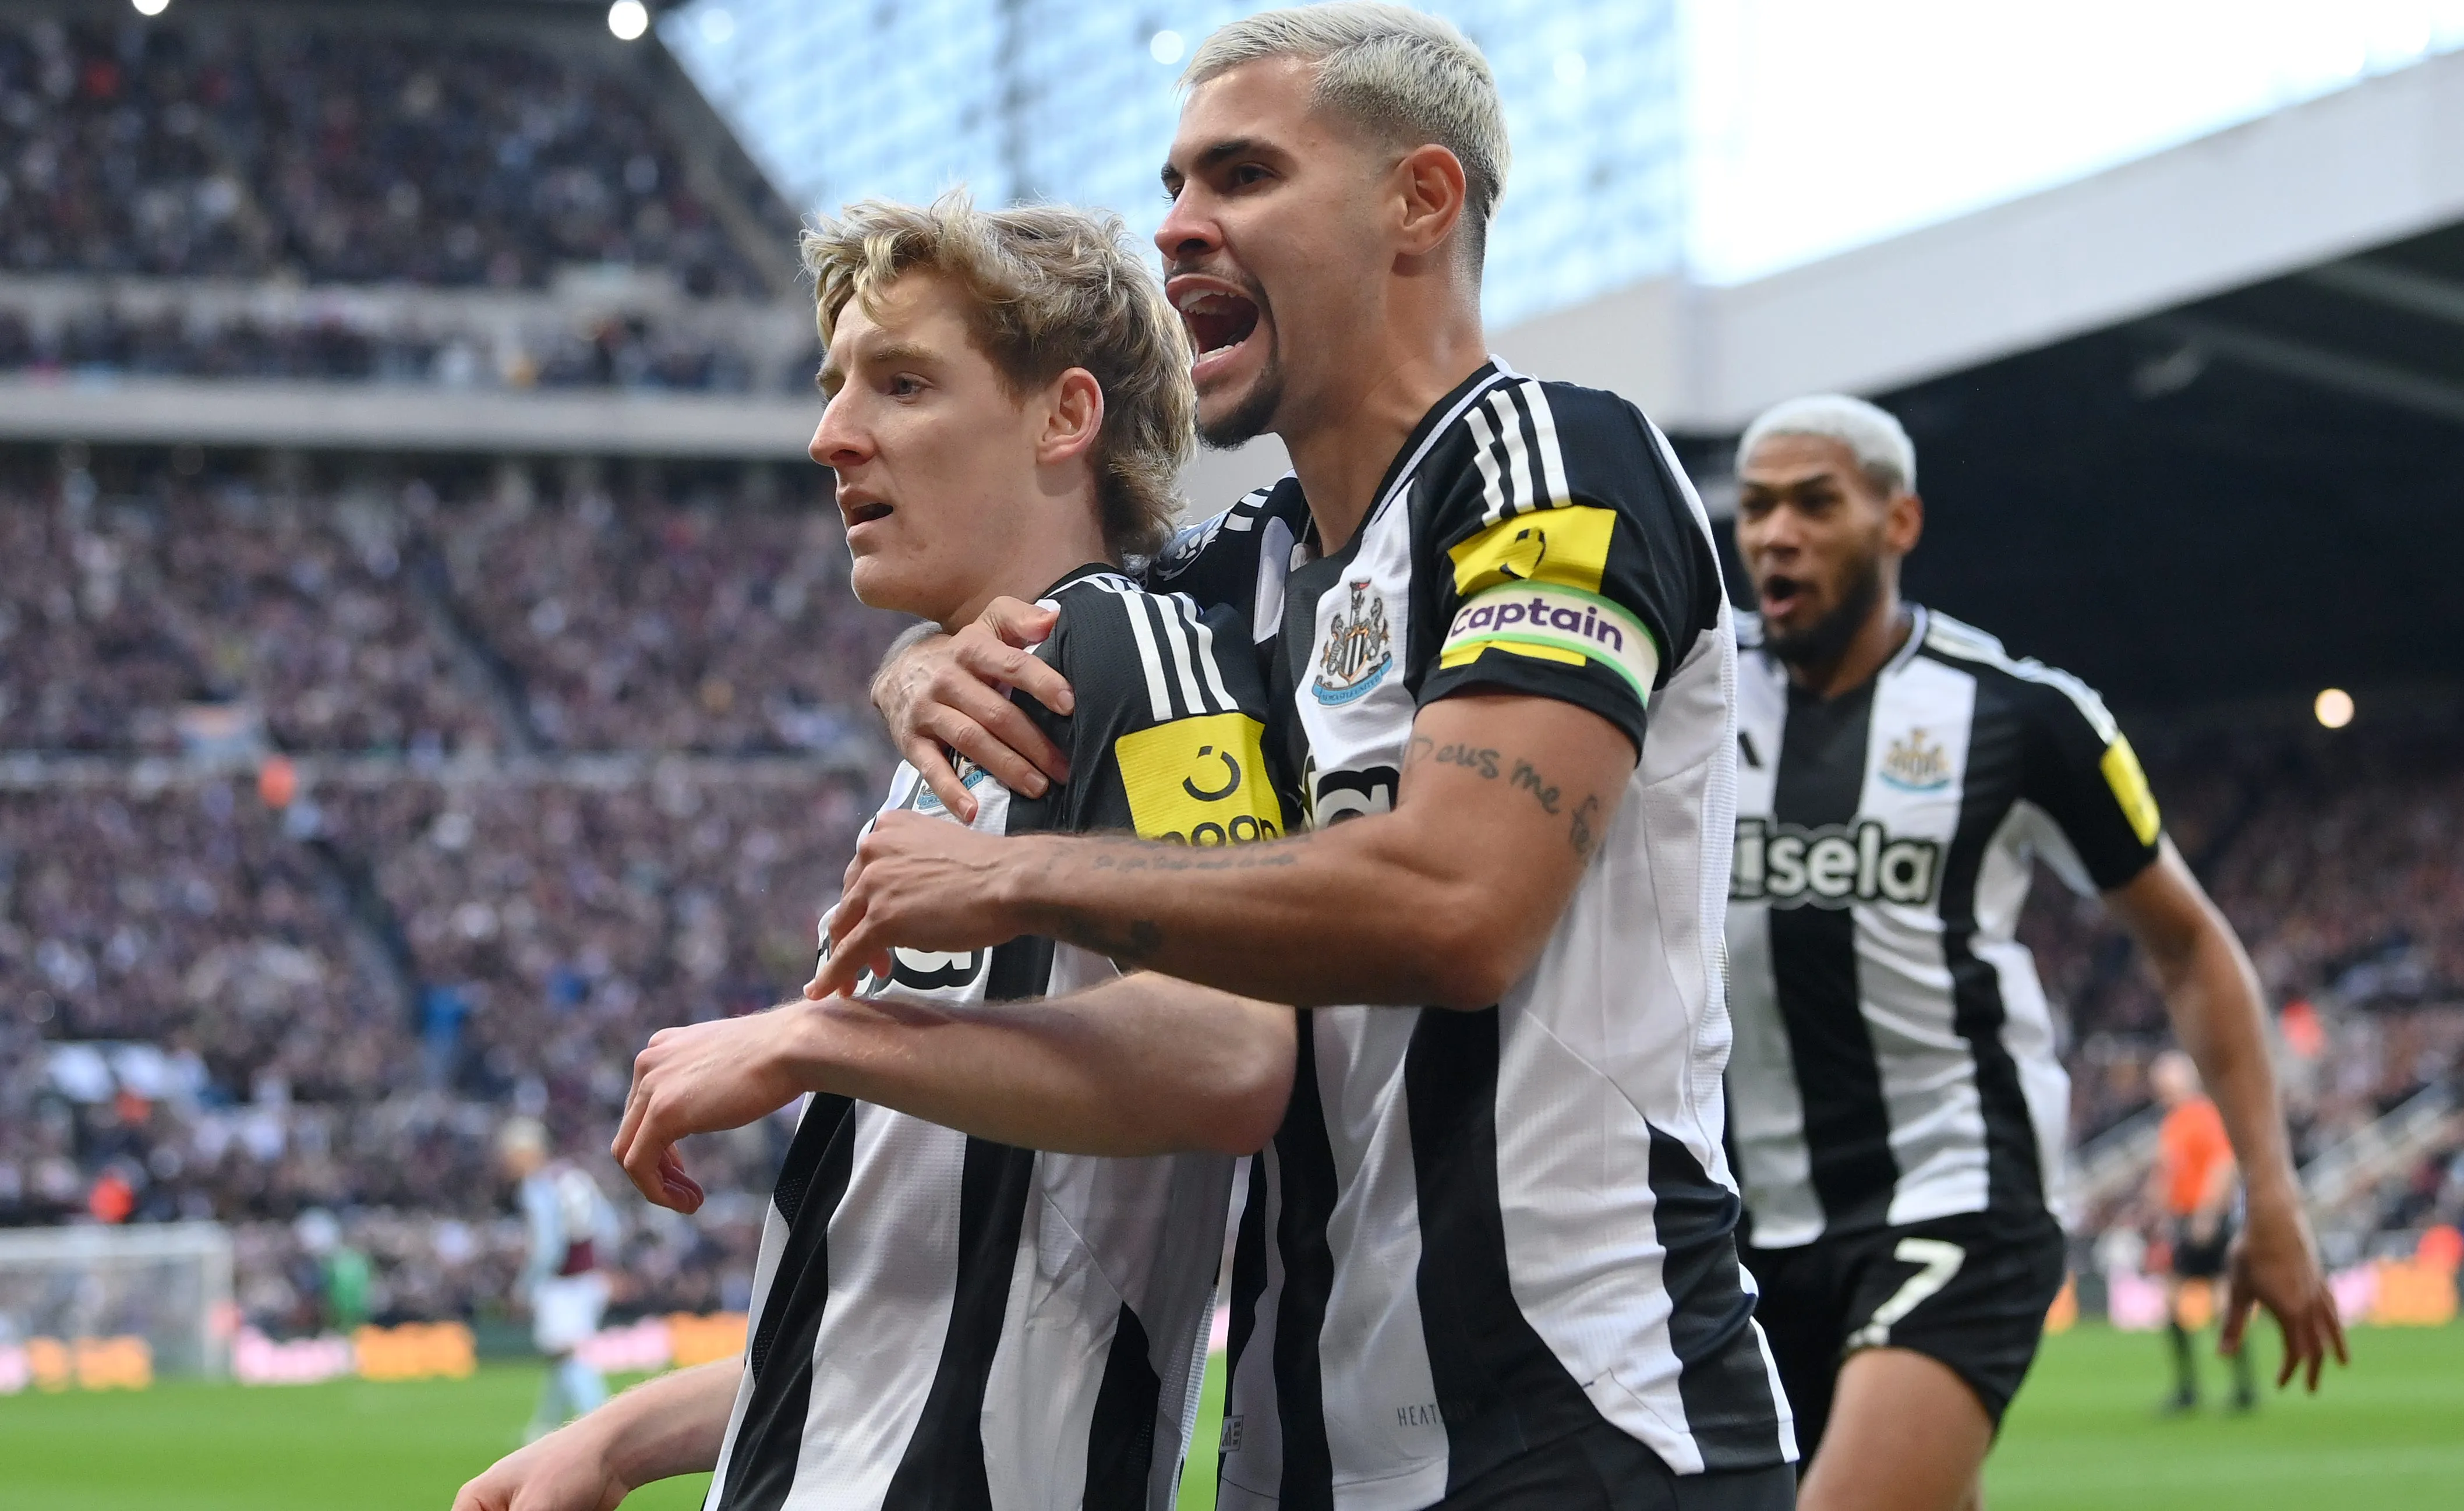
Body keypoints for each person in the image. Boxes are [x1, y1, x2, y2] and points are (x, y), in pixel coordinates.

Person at [621, 8, 1797, 1508]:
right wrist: (912, 666)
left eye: (1240, 177)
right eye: (1175, 185)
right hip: (1301, 1454)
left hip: (1585, 1424)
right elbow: (1056, 588)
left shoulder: (1547, 465)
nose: (1179, 230)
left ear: (1417, 204)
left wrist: (1011, 879)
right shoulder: (1234, 580)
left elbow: (1457, 904)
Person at [454, 194, 1297, 1511]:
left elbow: (1237, 1051)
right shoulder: (971, 714)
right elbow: (905, 1301)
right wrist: (619, 1440)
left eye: (901, 383)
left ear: (1060, 419)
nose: (829, 434)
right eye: (835, 382)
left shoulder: (1130, 654)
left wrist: (814, 1039)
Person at [1719, 394, 2346, 1511]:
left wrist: (2273, 1189)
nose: (1775, 532)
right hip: (1737, 1226)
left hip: (1955, 1193)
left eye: (1815, 503)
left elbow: (2190, 945)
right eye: (1757, 506)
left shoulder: (2023, 714)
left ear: (1897, 520)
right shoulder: (1681, 698)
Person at [498, 1117, 621, 1443]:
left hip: (562, 1285)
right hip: (589, 1279)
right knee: (561, 1357)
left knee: (568, 1357)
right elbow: (609, 1225)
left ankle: (602, 1426)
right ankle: (544, 1428)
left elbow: (547, 1247)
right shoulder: (574, 1175)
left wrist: (524, 1287)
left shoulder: (537, 1185)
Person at [2151, 1051, 2252, 1413]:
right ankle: (2207, 1389)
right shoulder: (2175, 1121)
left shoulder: (2202, 1117)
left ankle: (2230, 1389)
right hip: (2185, 1218)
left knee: (2217, 1303)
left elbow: (2224, 1164)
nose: (2161, 1090)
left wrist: (2208, 1213)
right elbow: (2169, 1173)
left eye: (2166, 1083)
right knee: (2183, 1304)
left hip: (2206, 1218)